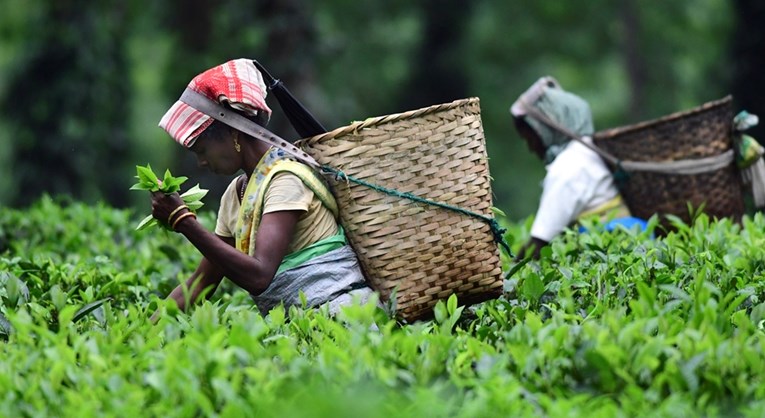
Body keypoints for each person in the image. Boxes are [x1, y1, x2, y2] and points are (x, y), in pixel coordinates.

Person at [149, 58, 376, 319]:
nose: (201, 162)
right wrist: (141, 332)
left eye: (202, 150)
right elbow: (201, 283)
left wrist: (183, 221)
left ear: (232, 133)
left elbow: (259, 275)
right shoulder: (236, 194)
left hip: (344, 320)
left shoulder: (287, 178)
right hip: (298, 328)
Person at [510, 76, 646, 260]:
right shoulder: (590, 150)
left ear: (547, 129)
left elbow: (538, 243)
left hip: (613, 251)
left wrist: (510, 273)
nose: (531, 148)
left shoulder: (568, 167)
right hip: (635, 243)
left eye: (531, 138)